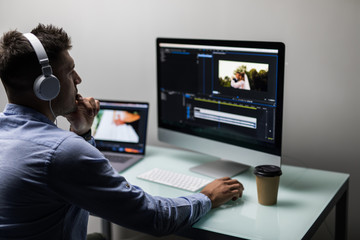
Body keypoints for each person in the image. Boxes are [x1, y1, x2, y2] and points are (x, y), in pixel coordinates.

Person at [0, 24, 244, 240]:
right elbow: (155, 218)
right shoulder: (61, 152)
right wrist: (207, 197)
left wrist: (82, 133)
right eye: (69, 71)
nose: (78, 79)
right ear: (47, 85)